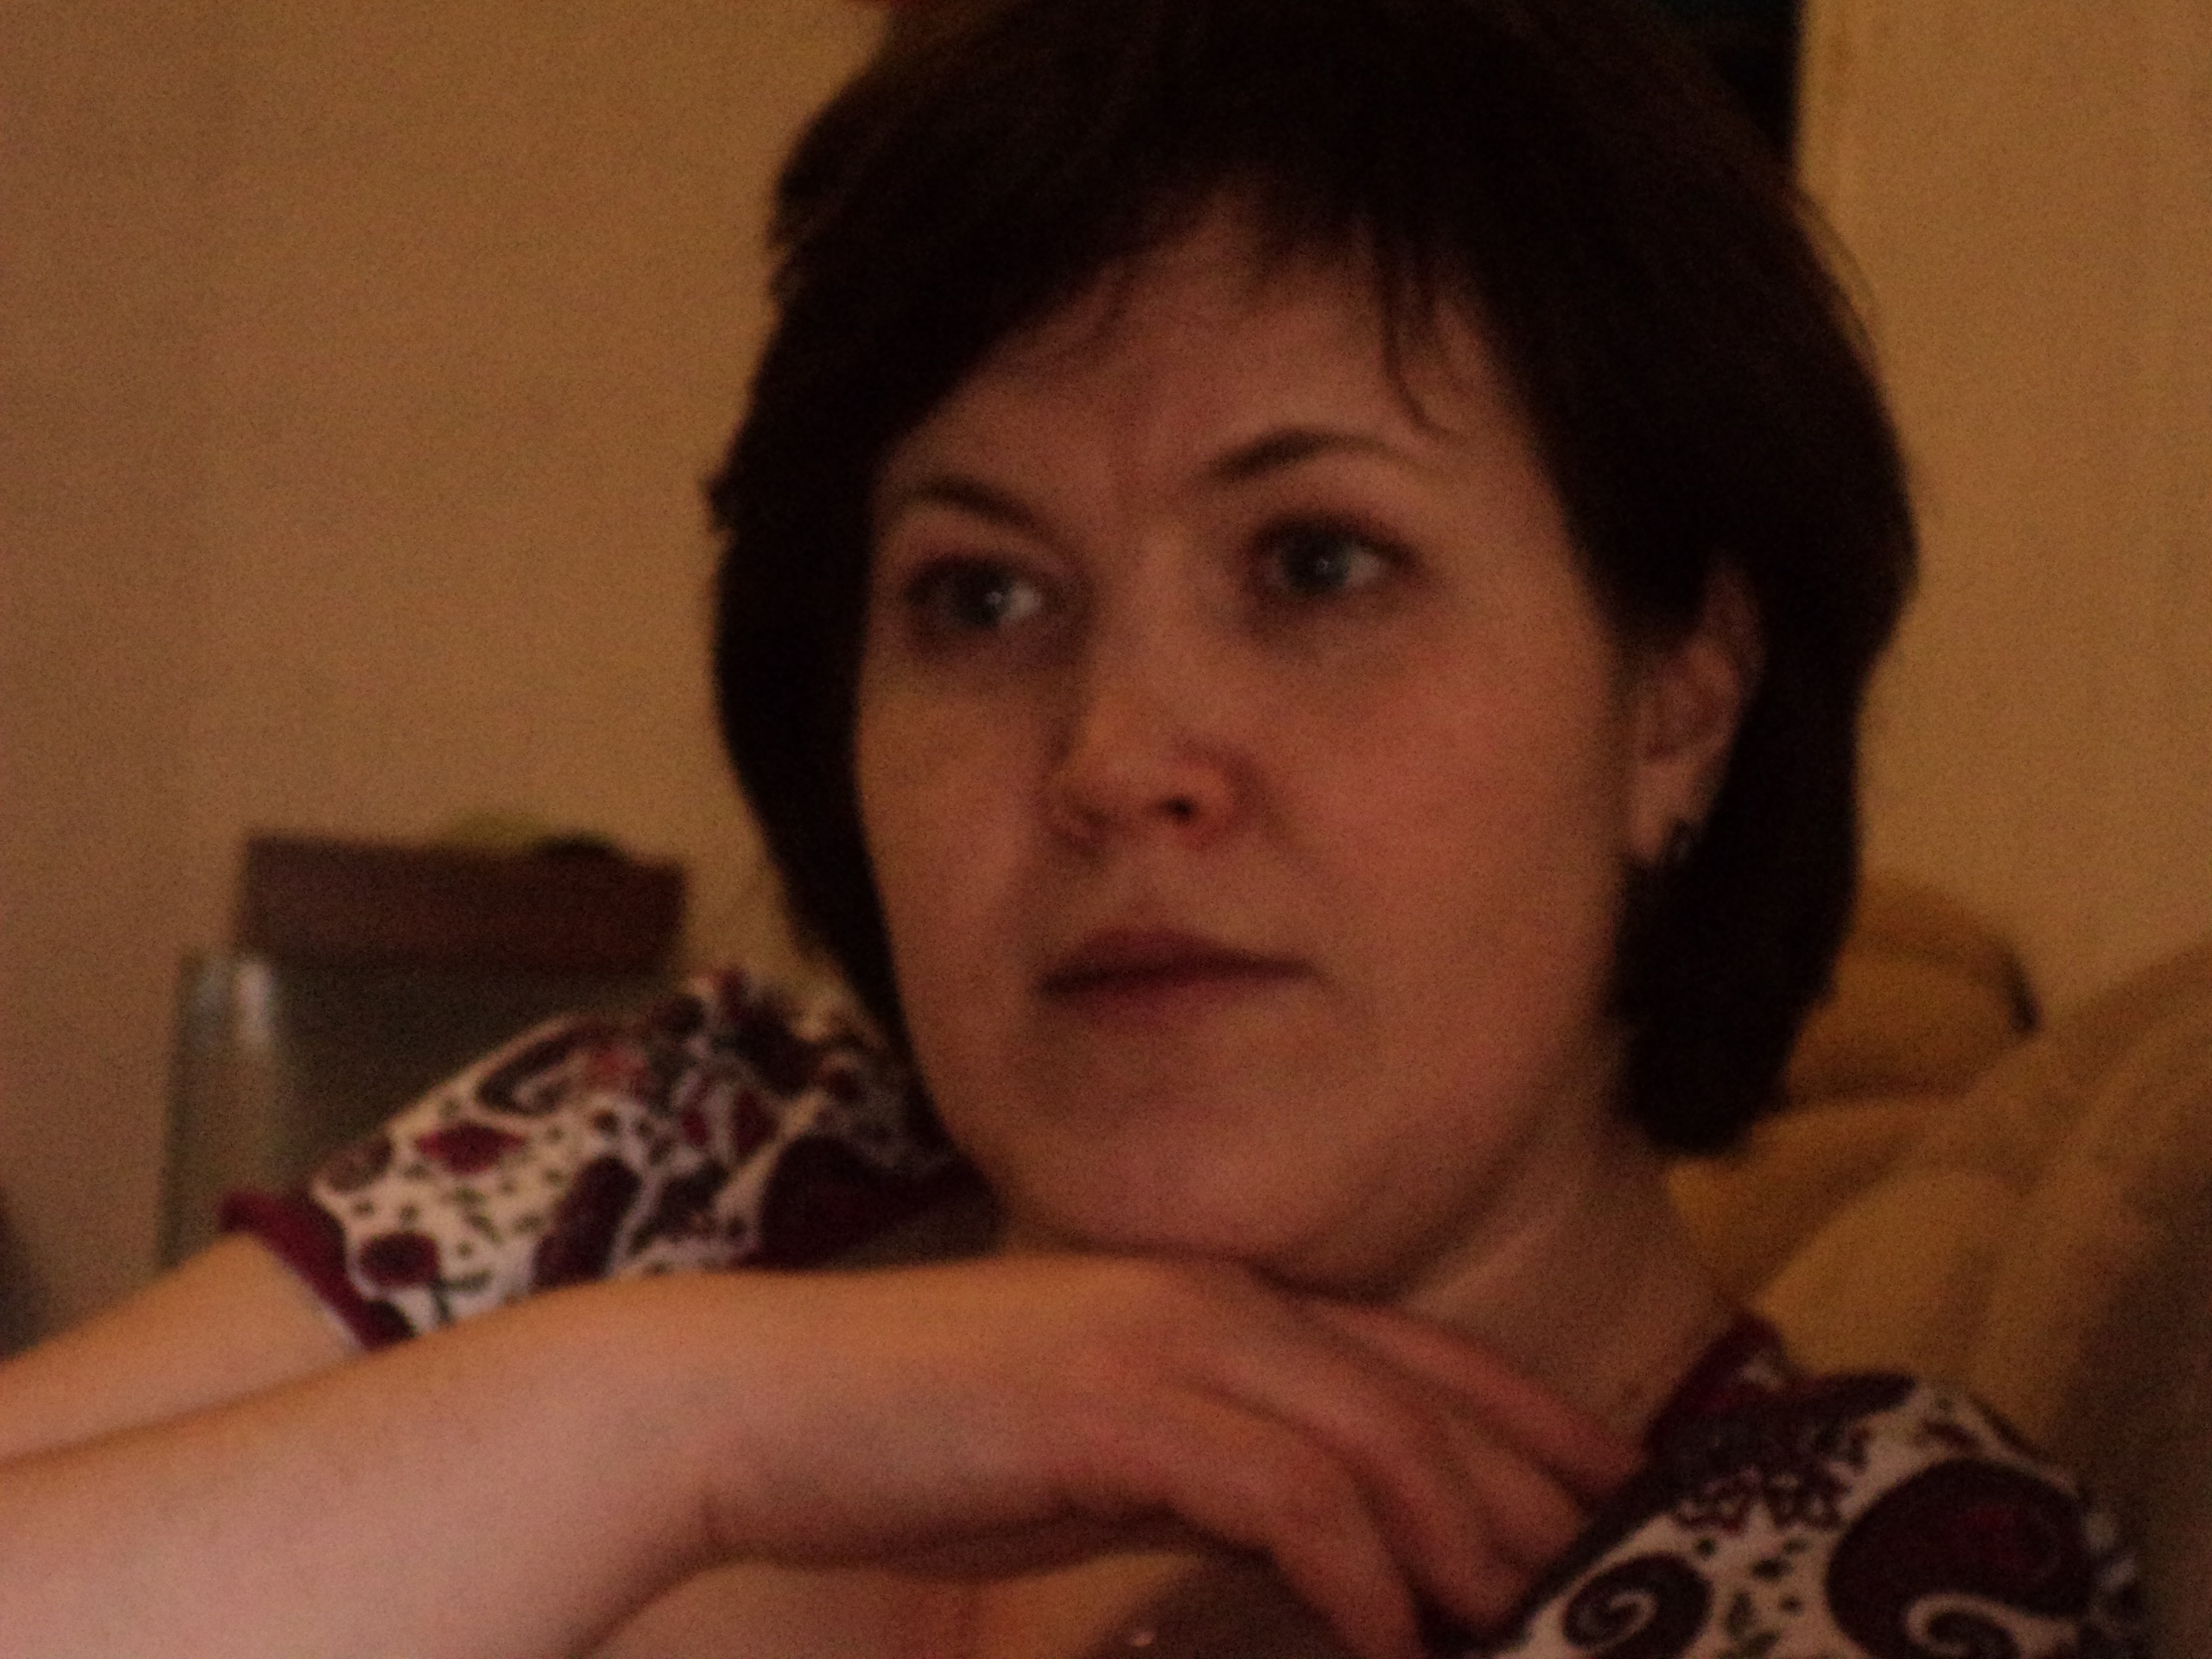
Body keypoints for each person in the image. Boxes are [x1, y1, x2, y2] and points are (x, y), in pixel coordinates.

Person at [0, 1, 2147, 1655]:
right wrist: (672, 1425)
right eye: (979, 597)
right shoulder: (675, 1162)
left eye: (1314, 564)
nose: (1116, 755)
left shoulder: (1858, 1568)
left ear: (1678, 691)